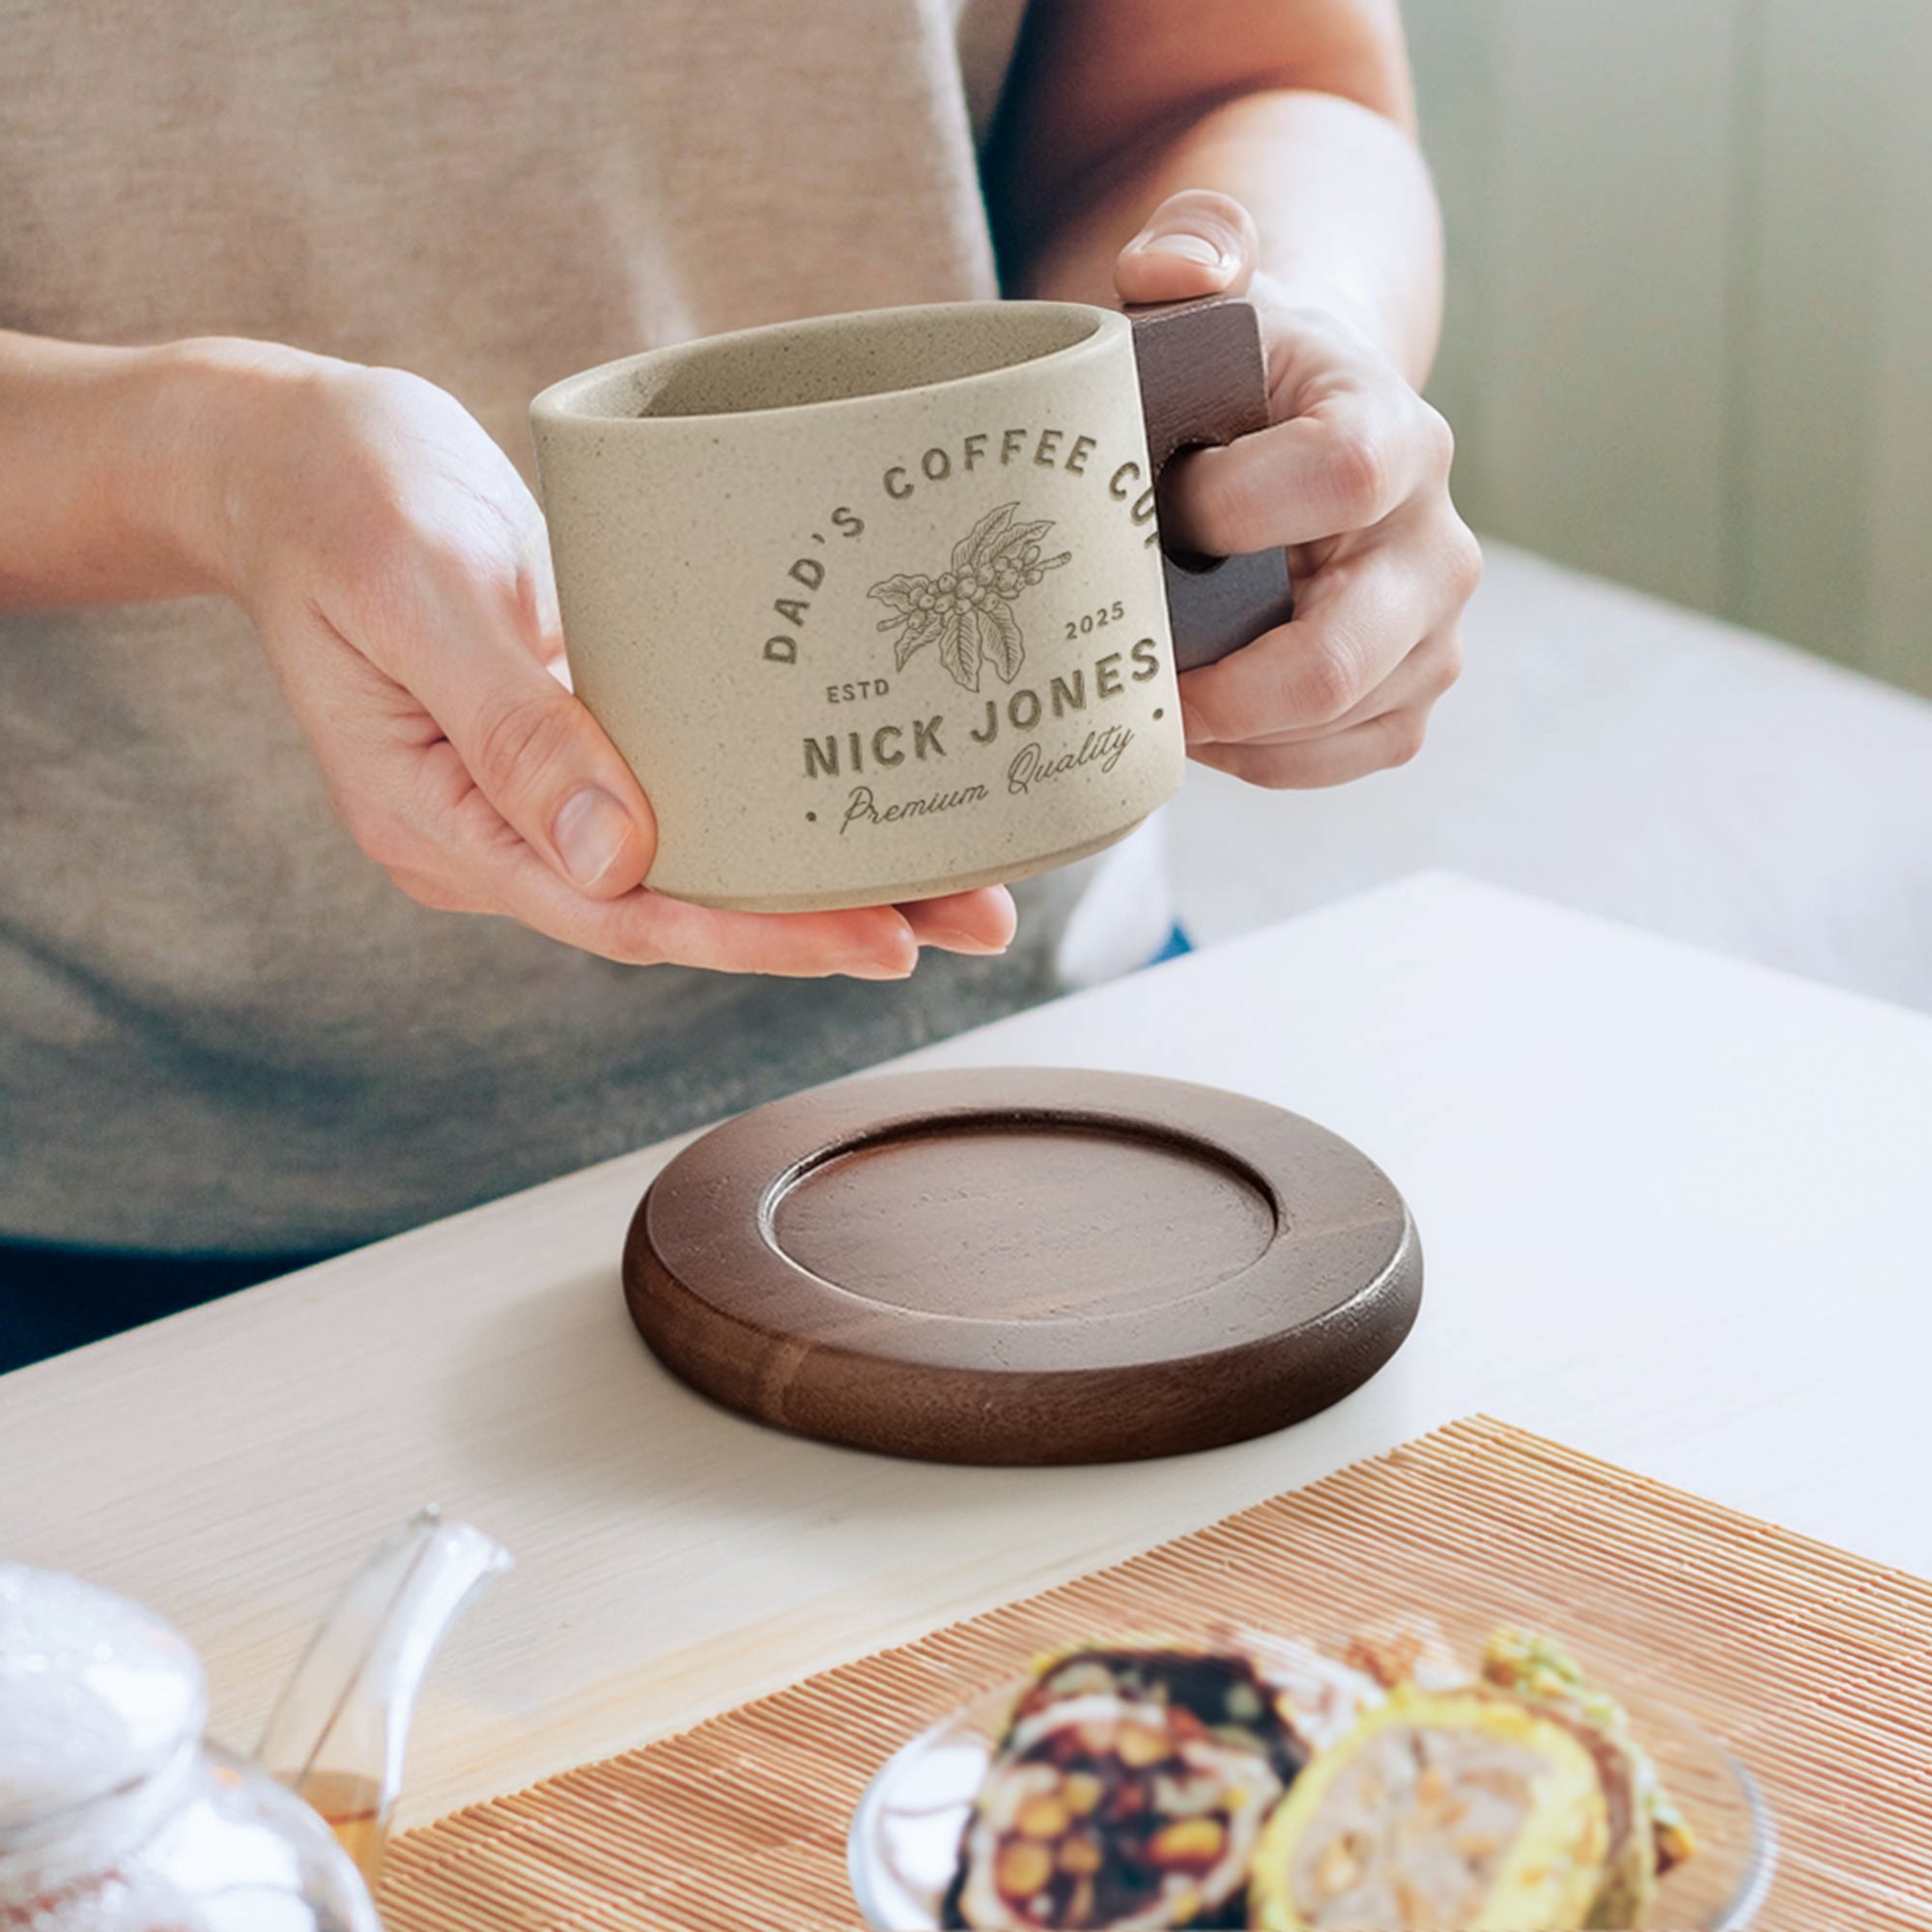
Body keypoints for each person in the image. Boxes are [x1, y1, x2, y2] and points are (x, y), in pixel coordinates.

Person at [0, 0, 1479, 1369]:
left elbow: (1243, 77)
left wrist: (1271, 339)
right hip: (151, 1207)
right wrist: (199, 464)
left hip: (1042, 1057)